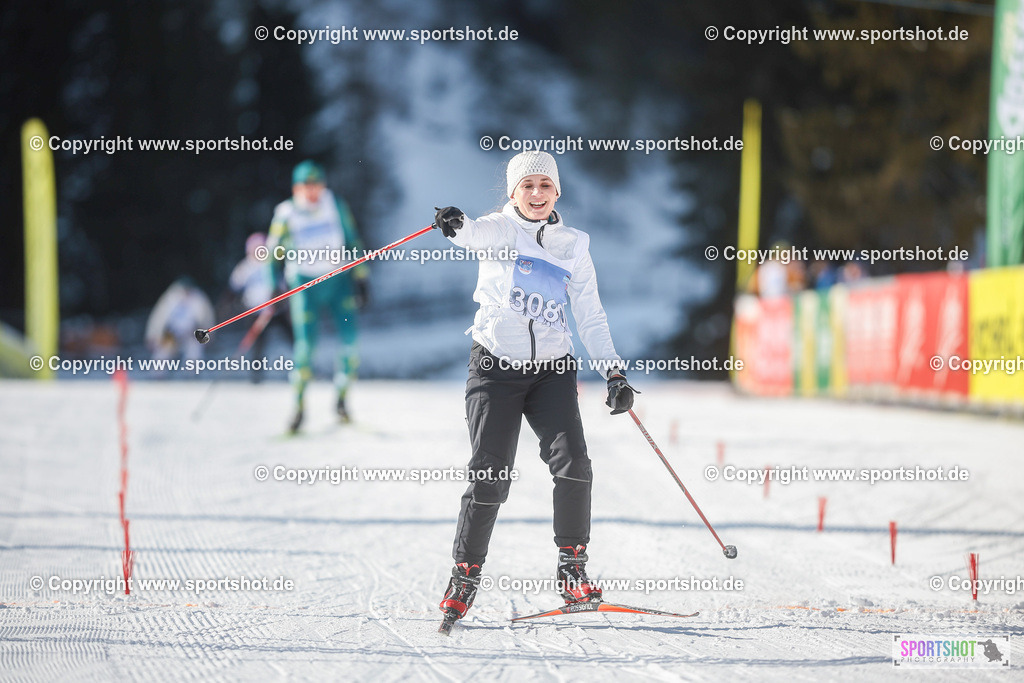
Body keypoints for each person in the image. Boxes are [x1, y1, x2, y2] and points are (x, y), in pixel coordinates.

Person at [432, 151, 637, 626]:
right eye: (528, 186)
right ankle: (464, 574)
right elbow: (471, 234)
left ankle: (572, 570)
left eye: (546, 185)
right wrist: (455, 223)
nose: (537, 193)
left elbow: (590, 314)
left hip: (552, 371)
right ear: (512, 193)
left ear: (557, 192)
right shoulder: (500, 229)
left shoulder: (573, 244)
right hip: (493, 369)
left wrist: (613, 372)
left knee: (574, 464)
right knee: (491, 476)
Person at [265, 161, 369, 432]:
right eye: (307, 187)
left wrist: (362, 277)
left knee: (350, 343)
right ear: (296, 188)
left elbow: (353, 238)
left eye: (317, 186)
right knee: (306, 349)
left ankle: (342, 401)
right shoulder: (286, 213)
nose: (313, 193)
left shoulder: (335, 203)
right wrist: (273, 285)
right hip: (304, 285)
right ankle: (298, 408)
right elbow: (271, 254)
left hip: (338, 281)